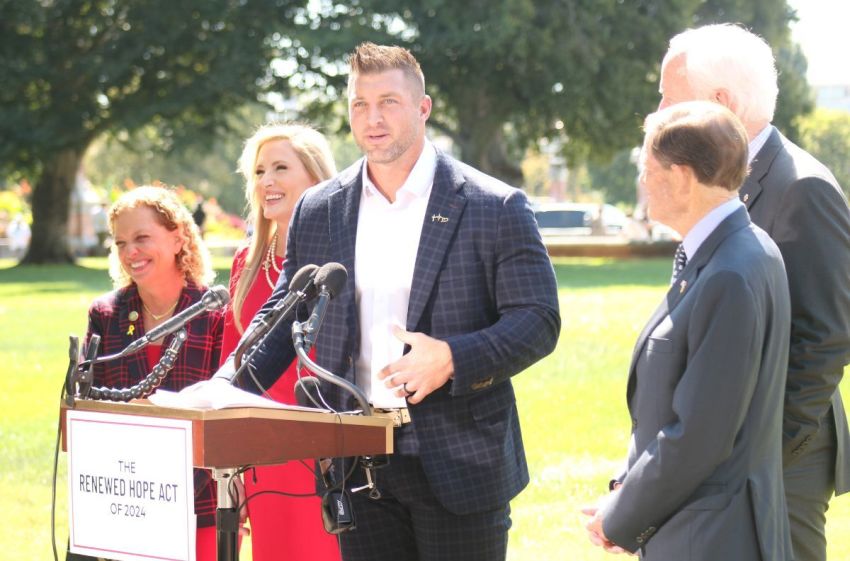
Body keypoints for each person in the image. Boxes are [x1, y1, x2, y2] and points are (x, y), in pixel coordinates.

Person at [213, 42, 560, 561]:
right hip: (354, 461)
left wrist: (452, 358)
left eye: (388, 103)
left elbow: (538, 320)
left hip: (459, 463)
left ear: (423, 108)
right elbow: (286, 312)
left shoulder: (494, 206)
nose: (372, 119)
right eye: (360, 104)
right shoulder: (319, 208)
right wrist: (224, 387)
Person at [657, 24, 850, 561]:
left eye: (670, 99)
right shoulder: (723, 180)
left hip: (780, 464)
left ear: (722, 103)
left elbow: (824, 341)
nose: (659, 114)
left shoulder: (801, 188)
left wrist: (759, 454)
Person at [583, 101, 792, 560]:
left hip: (710, 539)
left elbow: (699, 436)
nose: (642, 183)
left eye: (646, 169)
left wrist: (620, 516)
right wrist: (625, 493)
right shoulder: (736, 250)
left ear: (680, 177)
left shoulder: (729, 272)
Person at [69, 186, 223, 561]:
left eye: (142, 238)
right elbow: (86, 406)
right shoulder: (105, 314)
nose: (130, 252)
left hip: (197, 503)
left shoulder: (216, 314)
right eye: (121, 243)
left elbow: (224, 413)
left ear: (178, 238)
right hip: (124, 500)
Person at [222, 123, 339, 561]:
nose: (266, 181)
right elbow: (233, 357)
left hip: (327, 446)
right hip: (262, 453)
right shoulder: (245, 261)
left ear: (316, 176)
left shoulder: (342, 258)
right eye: (258, 172)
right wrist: (230, 455)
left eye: (280, 168)